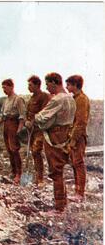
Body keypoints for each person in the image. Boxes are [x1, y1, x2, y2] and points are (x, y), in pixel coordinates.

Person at [34, 73, 76, 212]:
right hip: (65, 135)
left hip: (54, 136)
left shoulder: (57, 99)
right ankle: (62, 203)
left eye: (47, 84)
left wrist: (35, 117)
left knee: (56, 172)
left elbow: (41, 117)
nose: (46, 87)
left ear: (54, 82)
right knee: (60, 170)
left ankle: (59, 207)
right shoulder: (70, 98)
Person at [0, 79, 26, 184]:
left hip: (14, 125)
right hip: (6, 125)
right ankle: (13, 171)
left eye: (5, 87)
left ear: (11, 87)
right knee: (9, 149)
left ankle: (19, 174)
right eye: (2, 88)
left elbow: (22, 116)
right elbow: (2, 115)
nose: (4, 90)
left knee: (14, 149)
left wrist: (19, 129)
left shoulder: (18, 99)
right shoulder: (6, 100)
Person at [66, 75, 90, 202]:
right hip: (73, 135)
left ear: (75, 85)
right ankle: (77, 191)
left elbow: (81, 123)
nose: (67, 87)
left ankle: (80, 193)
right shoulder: (75, 99)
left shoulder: (81, 100)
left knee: (78, 164)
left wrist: (74, 140)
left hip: (78, 137)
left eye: (69, 85)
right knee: (75, 164)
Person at [24, 75, 51, 185]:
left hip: (40, 129)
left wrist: (33, 122)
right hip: (31, 130)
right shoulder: (31, 98)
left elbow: (43, 113)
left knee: (36, 151)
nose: (28, 87)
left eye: (30, 85)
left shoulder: (44, 96)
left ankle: (40, 178)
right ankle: (36, 177)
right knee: (33, 153)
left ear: (37, 85)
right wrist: (26, 121)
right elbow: (27, 112)